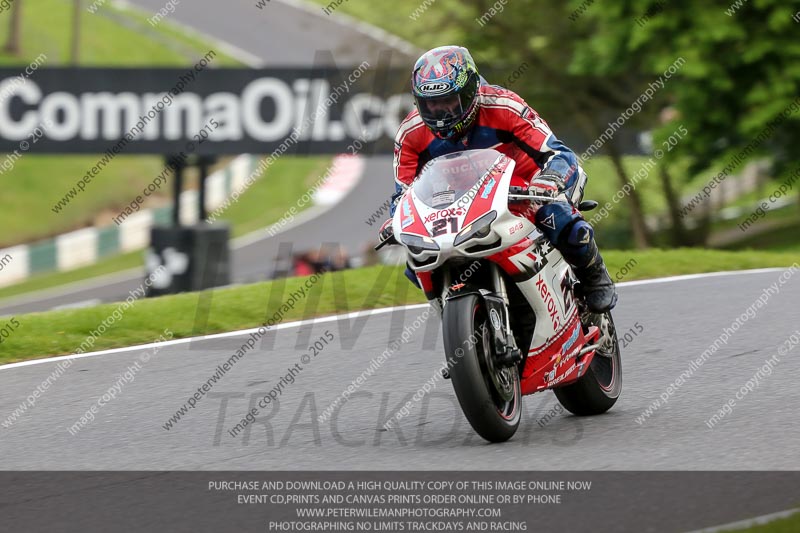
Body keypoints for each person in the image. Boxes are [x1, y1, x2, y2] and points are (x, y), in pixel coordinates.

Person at [378, 45, 617, 312]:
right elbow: (404, 192)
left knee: (559, 219)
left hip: (522, 187)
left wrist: (549, 180)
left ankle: (594, 275)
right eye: (431, 105)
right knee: (417, 259)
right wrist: (397, 220)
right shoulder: (410, 132)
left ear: (470, 92)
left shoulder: (504, 105)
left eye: (449, 102)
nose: (441, 114)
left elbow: (557, 152)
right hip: (458, 203)